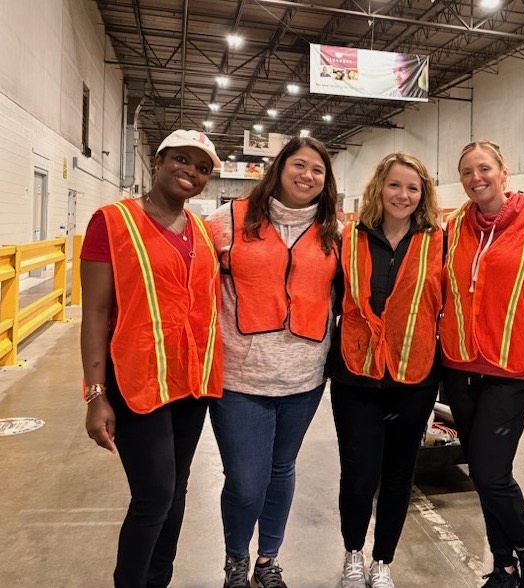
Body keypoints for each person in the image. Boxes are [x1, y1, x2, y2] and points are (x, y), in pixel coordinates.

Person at [80, 129, 223, 588]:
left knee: (176, 495)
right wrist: (96, 394)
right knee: (154, 496)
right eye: (182, 160)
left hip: (190, 383)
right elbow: (96, 311)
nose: (192, 173)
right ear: (158, 161)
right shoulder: (112, 221)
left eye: (203, 168)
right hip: (137, 381)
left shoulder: (202, 230)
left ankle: (158, 581)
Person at [206, 136, 340, 588]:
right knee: (246, 480)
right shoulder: (227, 221)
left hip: (304, 378)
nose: (307, 176)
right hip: (240, 378)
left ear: (327, 181)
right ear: (280, 169)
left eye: (317, 170)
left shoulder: (333, 232)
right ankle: (235, 560)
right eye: (299, 165)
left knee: (282, 471)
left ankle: (267, 562)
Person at [439, 140, 524, 588]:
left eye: (484, 168)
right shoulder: (453, 226)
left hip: (511, 366)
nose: (477, 178)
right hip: (459, 363)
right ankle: (504, 566)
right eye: (468, 172)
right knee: (483, 471)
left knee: (491, 474)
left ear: (504, 172)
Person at [326, 153, 443, 588]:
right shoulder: (347, 237)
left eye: (413, 188)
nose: (404, 195)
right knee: (358, 473)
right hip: (356, 376)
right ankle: (353, 553)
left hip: (414, 376)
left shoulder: (437, 240)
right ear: (380, 188)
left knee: (399, 474)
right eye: (395, 185)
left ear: (423, 194)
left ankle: (382, 561)